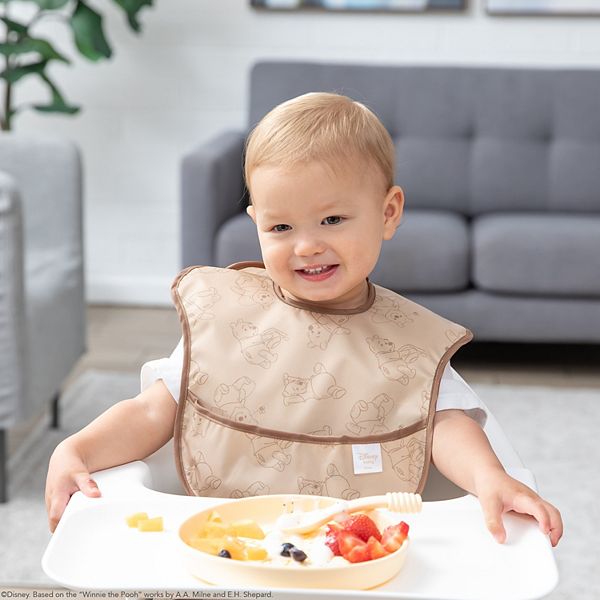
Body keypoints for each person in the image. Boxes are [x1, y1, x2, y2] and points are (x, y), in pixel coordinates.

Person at [46, 92, 563, 548]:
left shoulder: (409, 343)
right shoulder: (229, 320)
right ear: (257, 223)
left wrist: (490, 478)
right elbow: (152, 412)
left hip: (356, 551)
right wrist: (77, 450)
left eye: (332, 219)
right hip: (230, 541)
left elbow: (445, 426)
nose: (307, 245)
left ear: (388, 213)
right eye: (281, 227)